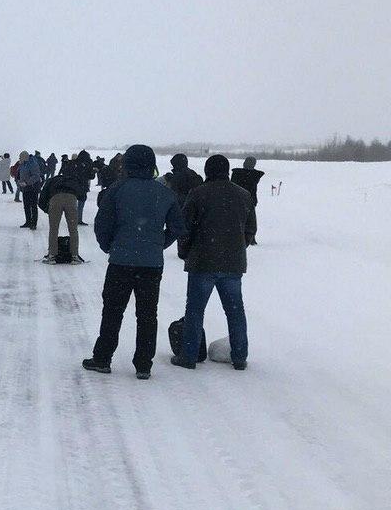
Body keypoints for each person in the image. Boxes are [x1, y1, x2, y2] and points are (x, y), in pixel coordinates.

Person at [82, 144, 183, 379]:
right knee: (147, 315)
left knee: (112, 311)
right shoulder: (165, 193)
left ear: (127, 163)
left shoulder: (117, 189)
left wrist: (110, 246)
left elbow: (102, 224)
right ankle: (143, 365)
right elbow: (178, 226)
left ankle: (102, 358)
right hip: (152, 264)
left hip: (120, 262)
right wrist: (159, 244)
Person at [173, 154, 254, 370]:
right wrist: (236, 248)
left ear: (208, 171)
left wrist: (185, 252)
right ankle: (239, 356)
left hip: (202, 261)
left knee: (195, 311)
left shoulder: (198, 193)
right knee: (235, 312)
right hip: (233, 264)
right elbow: (250, 229)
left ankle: (189, 356)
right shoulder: (244, 195)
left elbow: (185, 228)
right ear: (227, 170)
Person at [38, 169, 88, 264]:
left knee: (53, 229)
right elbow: (83, 195)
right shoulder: (74, 180)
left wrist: (47, 210)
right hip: (71, 199)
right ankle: (74, 256)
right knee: (73, 229)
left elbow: (42, 198)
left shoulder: (52, 180)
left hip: (55, 199)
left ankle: (52, 256)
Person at [231, 157, 265, 244]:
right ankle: (251, 238)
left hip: (237, 199)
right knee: (250, 221)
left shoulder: (237, 173)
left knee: (237, 219)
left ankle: (238, 236)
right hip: (250, 199)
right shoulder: (255, 175)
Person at [17, 151, 44, 229]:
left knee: (33, 206)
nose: (19, 159)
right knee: (26, 206)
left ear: (24, 157)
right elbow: (20, 174)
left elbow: (36, 176)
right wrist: (19, 181)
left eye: (20, 157)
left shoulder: (33, 164)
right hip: (25, 188)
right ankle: (28, 222)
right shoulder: (22, 164)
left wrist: (27, 182)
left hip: (33, 188)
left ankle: (34, 224)